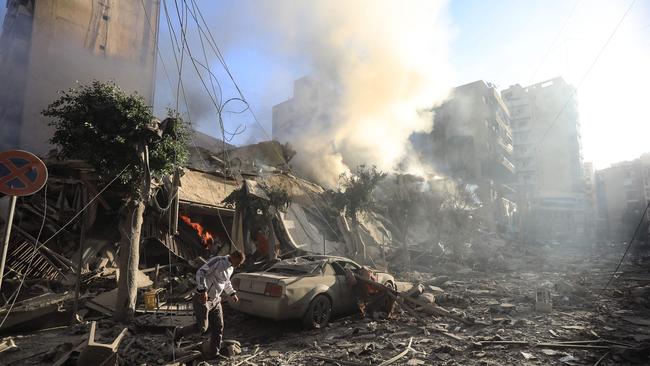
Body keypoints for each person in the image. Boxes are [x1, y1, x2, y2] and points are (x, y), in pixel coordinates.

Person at [170, 250, 245, 358]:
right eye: (238, 262)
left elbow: (226, 282)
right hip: (203, 299)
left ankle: (214, 353)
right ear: (233, 257)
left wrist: (232, 293)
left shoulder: (231, 268)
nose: (238, 265)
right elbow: (201, 272)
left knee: (218, 326)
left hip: (216, 300)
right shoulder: (217, 261)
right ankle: (179, 332)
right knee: (202, 328)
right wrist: (203, 290)